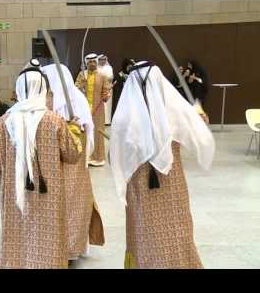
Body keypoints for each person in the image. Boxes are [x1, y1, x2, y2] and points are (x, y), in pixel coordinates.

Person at [109, 60, 215, 269]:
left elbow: (116, 158)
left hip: (139, 188)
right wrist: (199, 119)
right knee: (175, 231)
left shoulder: (122, 119)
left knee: (144, 233)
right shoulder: (174, 112)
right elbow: (199, 135)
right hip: (171, 184)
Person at [0, 63, 84, 269]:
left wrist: (8, 182)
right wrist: (74, 130)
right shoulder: (54, 120)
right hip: (49, 195)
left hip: (16, 194)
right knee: (47, 237)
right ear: (42, 89)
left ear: (19, 89)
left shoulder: (5, 121)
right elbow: (72, 155)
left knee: (18, 236)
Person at [43, 62, 105, 262]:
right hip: (59, 167)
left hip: (72, 166)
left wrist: (73, 131)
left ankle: (71, 249)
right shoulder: (50, 101)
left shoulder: (73, 100)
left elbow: (85, 134)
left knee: (72, 207)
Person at [75, 53, 112, 167]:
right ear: (86, 63)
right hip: (84, 108)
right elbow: (75, 89)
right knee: (84, 131)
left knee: (97, 131)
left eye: (93, 61)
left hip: (98, 108)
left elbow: (106, 91)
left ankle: (98, 157)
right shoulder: (83, 75)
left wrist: (106, 95)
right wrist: (83, 85)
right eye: (89, 62)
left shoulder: (103, 75)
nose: (92, 63)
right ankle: (86, 156)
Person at [98, 54, 114, 125]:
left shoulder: (109, 68)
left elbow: (111, 77)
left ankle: (107, 121)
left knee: (107, 105)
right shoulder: (97, 68)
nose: (103, 61)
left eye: (104, 59)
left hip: (108, 88)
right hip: (99, 89)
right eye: (101, 60)